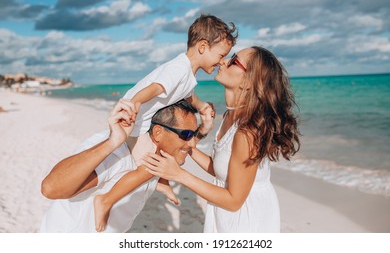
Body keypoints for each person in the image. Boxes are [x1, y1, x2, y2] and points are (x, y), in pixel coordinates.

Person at [92, 14, 237, 231]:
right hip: (136, 123)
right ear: (203, 46)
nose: (221, 61)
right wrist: (134, 104)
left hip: (145, 123)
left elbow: (188, 95)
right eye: (221, 55)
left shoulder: (187, 73)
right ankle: (105, 200)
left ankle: (163, 182)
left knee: (162, 155)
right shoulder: (178, 69)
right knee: (148, 167)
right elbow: (156, 87)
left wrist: (201, 107)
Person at [143, 46, 301, 232]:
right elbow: (221, 169)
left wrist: (178, 174)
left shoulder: (247, 132)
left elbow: (234, 200)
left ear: (249, 82)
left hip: (246, 219)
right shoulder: (230, 115)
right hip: (228, 213)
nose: (224, 61)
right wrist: (190, 147)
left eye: (234, 61)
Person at [40, 99, 201, 232]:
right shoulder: (116, 154)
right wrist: (112, 143)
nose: (193, 143)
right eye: (186, 135)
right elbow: (50, 189)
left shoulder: (156, 158)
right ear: (158, 132)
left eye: (195, 134)